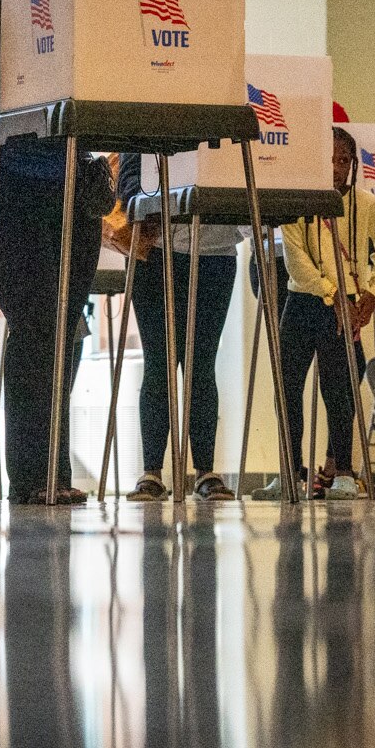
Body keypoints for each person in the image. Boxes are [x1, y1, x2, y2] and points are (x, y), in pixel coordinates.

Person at [0, 0, 111, 506]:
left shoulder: (100, 28)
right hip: (0, 186)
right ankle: (29, 478)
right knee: (37, 322)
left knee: (63, 332)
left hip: (67, 192)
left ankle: (52, 472)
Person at [257, 126, 375, 501]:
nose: (336, 168)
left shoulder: (366, 204)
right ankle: (290, 470)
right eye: (329, 160)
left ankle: (345, 474)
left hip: (349, 305)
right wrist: (332, 294)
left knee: (340, 392)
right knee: (287, 389)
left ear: (353, 166)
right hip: (304, 302)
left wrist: (372, 293)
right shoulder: (297, 202)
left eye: (343, 161)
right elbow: (296, 260)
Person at [119, 154, 238, 502]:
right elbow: (129, 177)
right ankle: (152, 472)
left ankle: (205, 471)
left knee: (201, 364)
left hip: (215, 252)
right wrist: (150, 206)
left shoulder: (226, 112)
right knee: (160, 362)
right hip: (156, 250)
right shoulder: (149, 109)